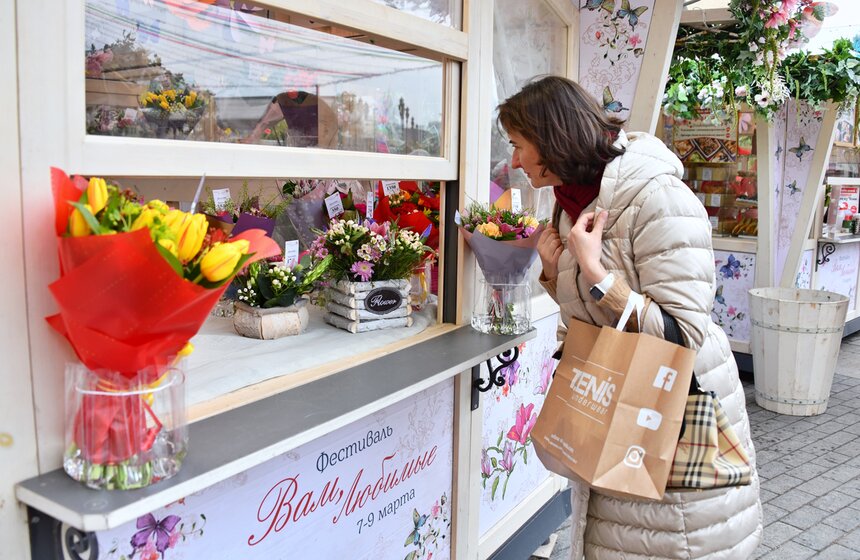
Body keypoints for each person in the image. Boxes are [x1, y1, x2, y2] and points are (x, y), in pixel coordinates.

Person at [497, 75, 762, 559]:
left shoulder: (658, 198)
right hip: (621, 413)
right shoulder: (572, 201)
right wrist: (556, 276)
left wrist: (597, 272)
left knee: (674, 545)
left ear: (552, 138)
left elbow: (683, 335)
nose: (513, 161)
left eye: (518, 145)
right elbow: (601, 318)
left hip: (671, 416)